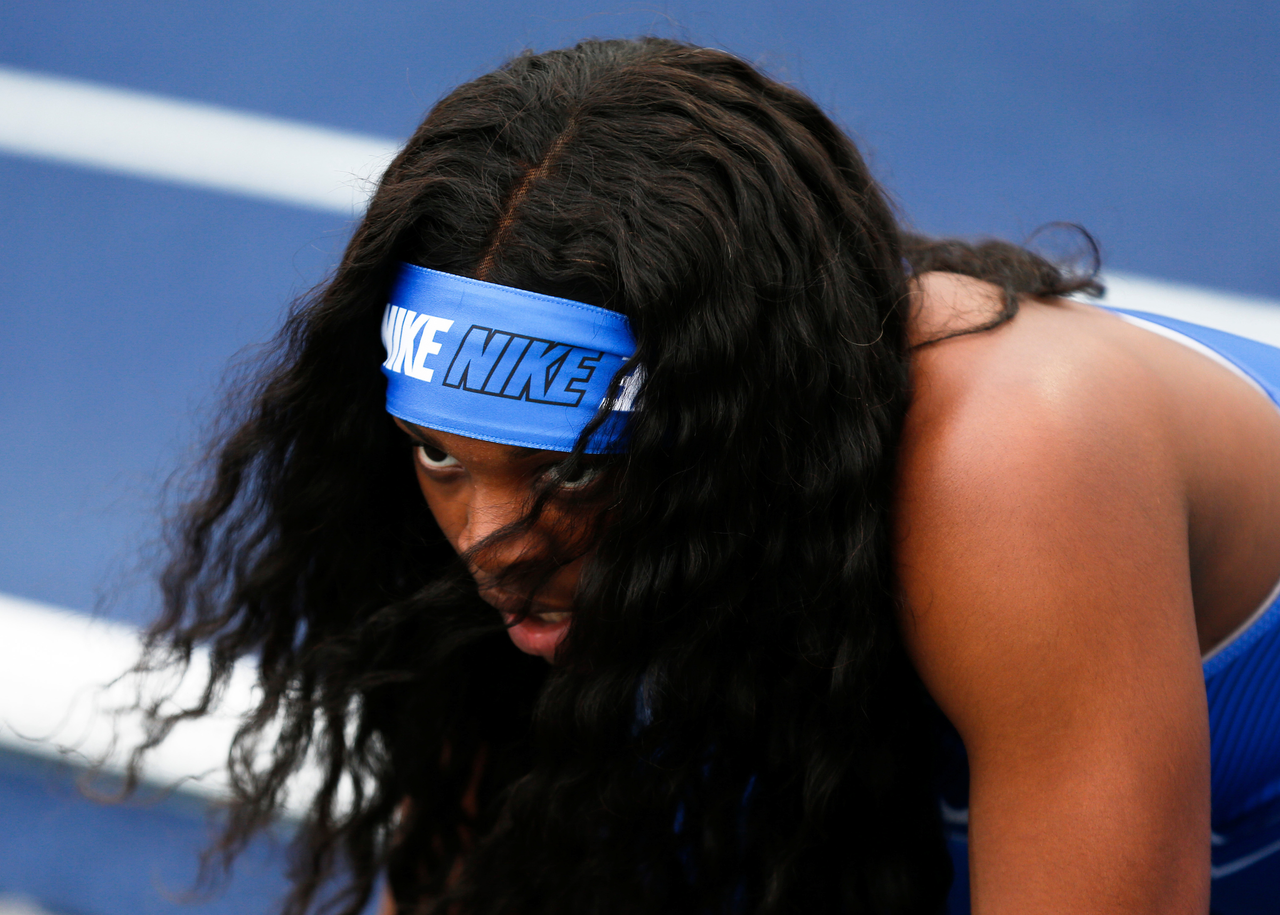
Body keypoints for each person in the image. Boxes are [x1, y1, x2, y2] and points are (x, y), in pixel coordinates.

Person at [134, 37, 1280, 915]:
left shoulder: (1019, 463)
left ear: (736, 426)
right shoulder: (557, 559)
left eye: (573, 471)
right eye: (438, 452)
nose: (491, 541)